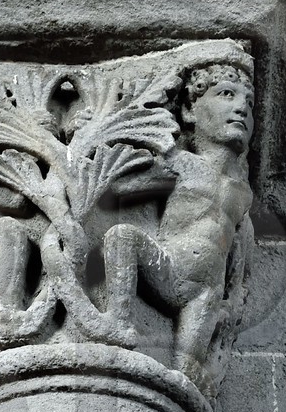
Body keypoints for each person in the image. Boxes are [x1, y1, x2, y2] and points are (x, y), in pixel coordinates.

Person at [100, 61, 255, 387]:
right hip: (169, 267)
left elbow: (241, 246)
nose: (241, 107)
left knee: (186, 376)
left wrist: (236, 293)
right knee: (123, 236)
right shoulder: (180, 162)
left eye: (249, 103)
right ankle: (118, 319)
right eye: (227, 94)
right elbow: (121, 184)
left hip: (206, 295)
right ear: (190, 110)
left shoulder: (244, 192)